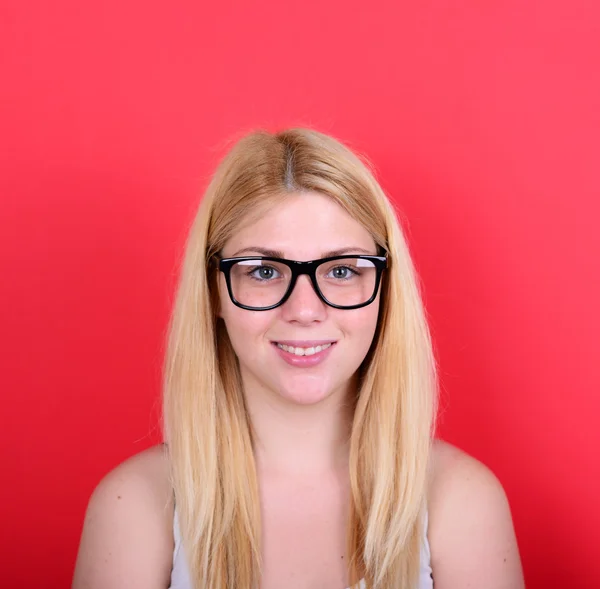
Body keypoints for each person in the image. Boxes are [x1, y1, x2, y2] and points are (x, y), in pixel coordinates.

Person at [72, 128, 525, 589]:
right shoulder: (134, 507)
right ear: (213, 291)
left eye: (343, 270)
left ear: (386, 291)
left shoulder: (462, 502)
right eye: (264, 271)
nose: (305, 310)